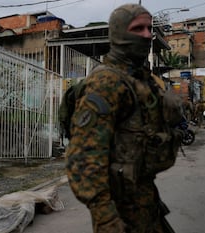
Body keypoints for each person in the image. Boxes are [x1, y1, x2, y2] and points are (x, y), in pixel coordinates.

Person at [65, 3, 182, 233]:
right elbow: (84, 160)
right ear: (119, 33)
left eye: (149, 28)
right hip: (119, 213)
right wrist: (107, 220)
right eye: (138, 29)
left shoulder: (140, 80)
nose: (147, 35)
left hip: (145, 201)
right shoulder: (107, 84)